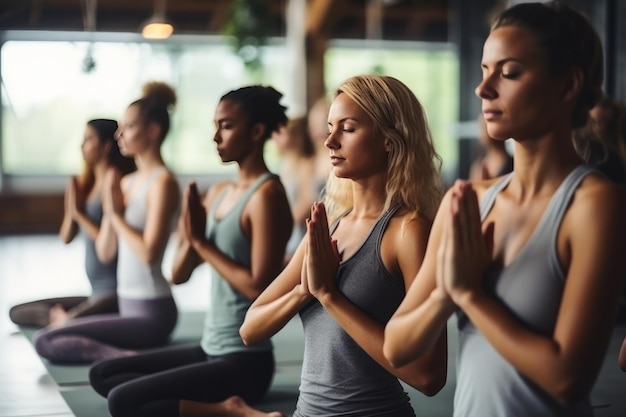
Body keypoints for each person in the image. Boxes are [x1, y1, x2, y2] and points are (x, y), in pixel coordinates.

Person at [383, 3, 626, 417]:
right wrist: (445, 293)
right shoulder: (469, 201)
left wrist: (470, 294)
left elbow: (569, 379)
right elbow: (397, 345)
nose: (483, 89)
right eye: (483, 70)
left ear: (568, 86)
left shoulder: (594, 204)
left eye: (509, 72)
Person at [240, 74, 447, 417]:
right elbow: (251, 328)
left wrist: (329, 296)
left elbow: (428, 376)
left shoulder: (408, 232)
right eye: (330, 127)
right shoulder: (328, 226)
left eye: (348, 129)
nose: (329, 141)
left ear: (389, 139)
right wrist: (304, 291)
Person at [88, 85, 293, 417]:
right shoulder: (219, 192)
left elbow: (259, 287)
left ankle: (233, 411)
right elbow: (178, 275)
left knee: (123, 401)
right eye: (215, 125)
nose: (215, 137)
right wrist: (188, 235)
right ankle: (221, 406)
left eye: (225, 126)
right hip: (207, 347)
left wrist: (201, 243)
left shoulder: (267, 195)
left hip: (244, 360)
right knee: (103, 374)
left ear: (256, 132)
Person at [32, 82, 181, 364]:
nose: (118, 134)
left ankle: (131, 360)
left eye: (128, 127)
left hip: (152, 310)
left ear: (152, 131)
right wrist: (97, 213)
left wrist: (114, 216)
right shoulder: (126, 182)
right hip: (125, 305)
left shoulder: (164, 182)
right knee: (49, 337)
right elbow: (106, 252)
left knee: (47, 340)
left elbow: (149, 254)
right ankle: (127, 358)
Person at [9, 119, 135, 328]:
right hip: (95, 293)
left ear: (105, 146)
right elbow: (66, 237)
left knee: (68, 323)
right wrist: (72, 211)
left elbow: (112, 245)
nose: (81, 146)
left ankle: (68, 321)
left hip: (115, 293)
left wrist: (80, 214)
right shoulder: (86, 185)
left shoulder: (117, 184)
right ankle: (63, 320)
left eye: (88, 140)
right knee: (17, 312)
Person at [271, 116, 317, 262]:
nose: (274, 138)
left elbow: (308, 201)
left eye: (281, 133)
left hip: (296, 232)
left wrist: (282, 225)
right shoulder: (283, 165)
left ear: (297, 137)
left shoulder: (305, 165)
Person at [469, 113, 513, 180]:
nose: (482, 133)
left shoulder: (514, 166)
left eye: (484, 127)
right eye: (481, 128)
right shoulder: (478, 166)